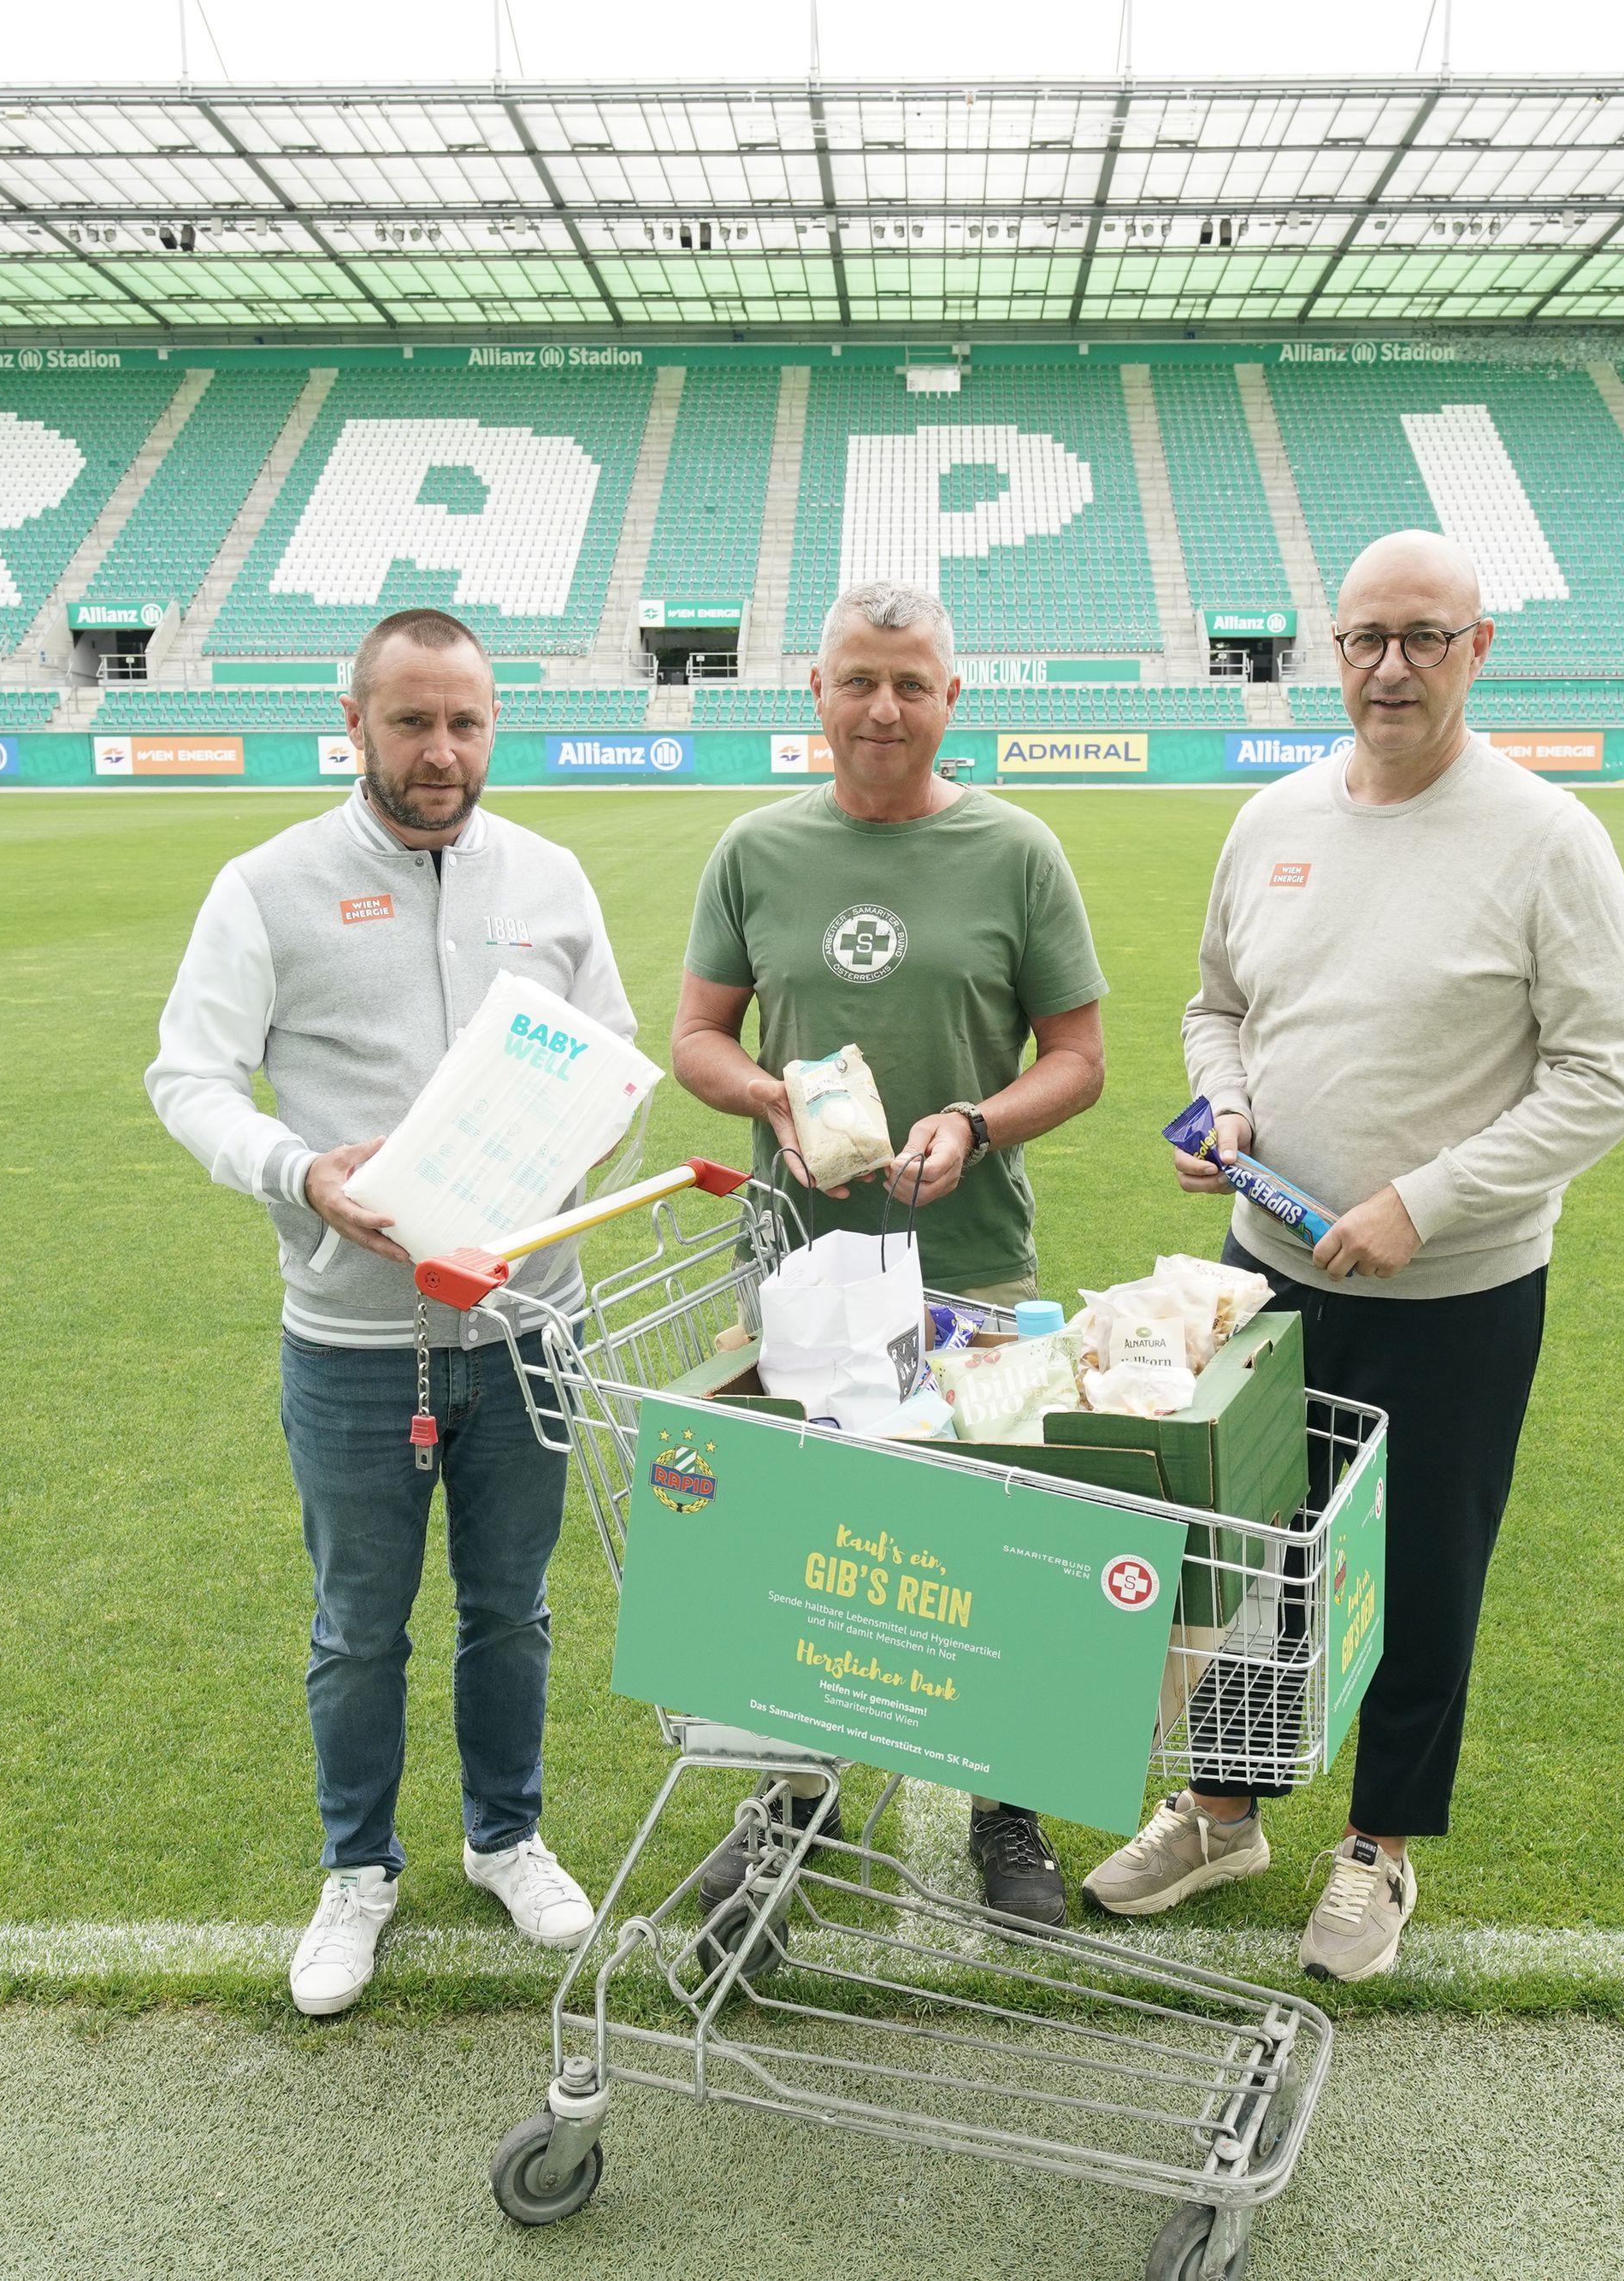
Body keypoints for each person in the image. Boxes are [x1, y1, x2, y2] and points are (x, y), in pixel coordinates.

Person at [1079, 529, 1624, 1982]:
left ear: (1479, 649)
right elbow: (1216, 1006)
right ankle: (1222, 1812)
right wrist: (1225, 1101)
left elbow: (1602, 1076)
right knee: (1247, 1557)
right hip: (1263, 1269)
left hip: (1453, 1290)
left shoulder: (1547, 840)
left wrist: (1429, 1201)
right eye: (1365, 639)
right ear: (1331, 650)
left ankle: (1379, 1849)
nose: (1391, 667)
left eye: (1424, 638)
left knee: (1421, 1573)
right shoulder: (1271, 819)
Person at [146, 606, 628, 2014]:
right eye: (410, 721)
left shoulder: (549, 877)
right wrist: (300, 1172)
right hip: (358, 1340)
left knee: (513, 1608)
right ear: (352, 722)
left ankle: (506, 1836)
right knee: (361, 1622)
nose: (441, 750)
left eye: (465, 722)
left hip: (531, 1328)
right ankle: (357, 1868)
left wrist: (576, 1134)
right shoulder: (268, 886)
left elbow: (610, 1056)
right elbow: (188, 1079)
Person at [669, 576, 1109, 1924]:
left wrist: (976, 1121)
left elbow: (1081, 1062)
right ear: (816, 693)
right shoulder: (754, 851)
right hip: (796, 1265)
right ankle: (792, 1804)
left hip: (971, 1261)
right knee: (797, 1543)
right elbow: (697, 1039)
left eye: (911, 684)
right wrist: (771, 1099)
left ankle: (1006, 1808)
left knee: (988, 1539)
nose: (883, 707)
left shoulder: (1018, 853)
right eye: (858, 680)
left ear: (950, 700)